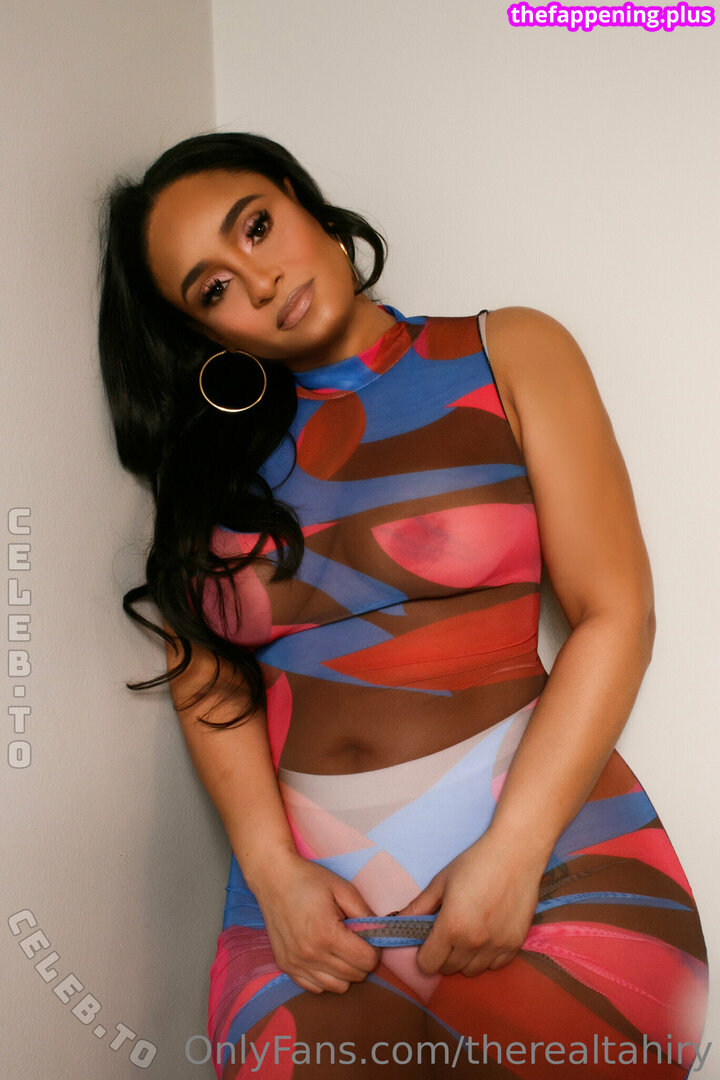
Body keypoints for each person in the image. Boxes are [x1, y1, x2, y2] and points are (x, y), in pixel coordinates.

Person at [97, 132, 709, 1079]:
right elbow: (207, 670)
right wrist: (272, 872)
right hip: (307, 912)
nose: (259, 280)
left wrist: (514, 853)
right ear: (203, 333)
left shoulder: (509, 350)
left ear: (301, 199)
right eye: (213, 289)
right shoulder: (210, 460)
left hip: (549, 863)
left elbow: (615, 613)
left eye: (256, 227)